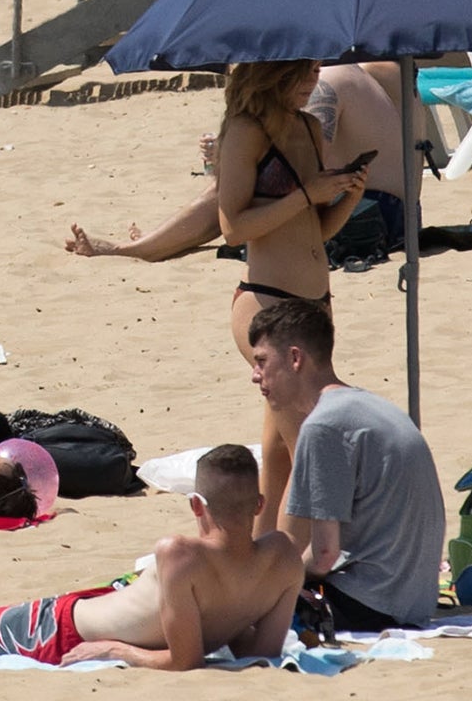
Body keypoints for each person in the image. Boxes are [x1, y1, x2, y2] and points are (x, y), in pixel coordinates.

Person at [0, 444, 304, 670]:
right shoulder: (283, 557)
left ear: (195, 505)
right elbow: (260, 652)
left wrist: (116, 651)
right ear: (260, 505)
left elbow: (186, 659)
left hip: (63, 628)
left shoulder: (178, 553)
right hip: (85, 609)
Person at [215, 62, 367, 535]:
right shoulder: (245, 131)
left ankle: (262, 549)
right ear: (274, 71)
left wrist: (347, 197)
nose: (313, 82)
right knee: (307, 442)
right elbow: (233, 226)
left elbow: (315, 230)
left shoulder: (308, 127)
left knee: (280, 451)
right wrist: (307, 193)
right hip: (266, 304)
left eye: (317, 71)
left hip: (315, 304)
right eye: (303, 72)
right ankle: (302, 559)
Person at [68, 62, 408, 261]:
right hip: (401, 217)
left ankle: (135, 250)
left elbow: (311, 170)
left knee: (229, 190)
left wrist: (235, 160)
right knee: (238, 179)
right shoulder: (379, 68)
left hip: (367, 216)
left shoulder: (324, 86)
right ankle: (156, 240)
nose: (311, 78)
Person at [248, 302, 445, 630]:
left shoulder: (323, 426)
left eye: (262, 362)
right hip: (416, 601)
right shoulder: (372, 406)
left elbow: (324, 555)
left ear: (296, 358)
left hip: (371, 604)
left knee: (231, 608)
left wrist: (279, 580)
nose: (255, 376)